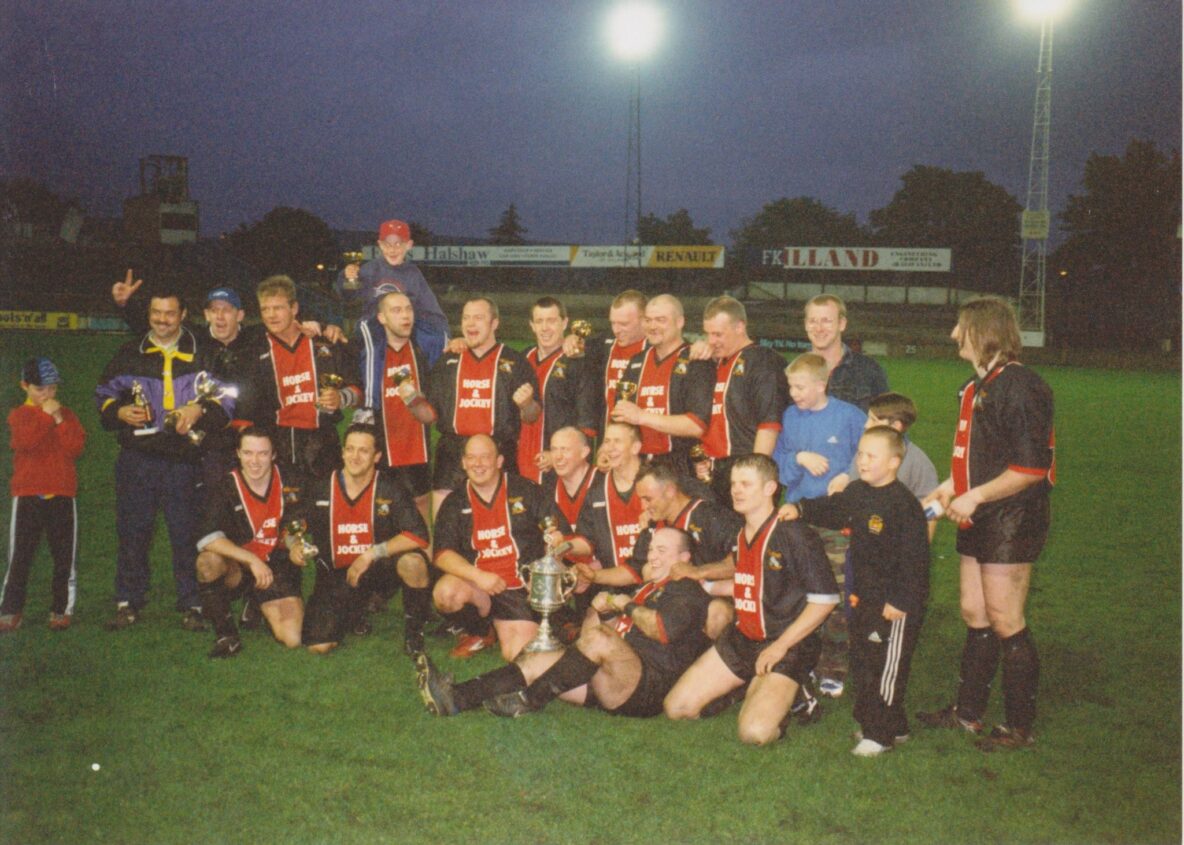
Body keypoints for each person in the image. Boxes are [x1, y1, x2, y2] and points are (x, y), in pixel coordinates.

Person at [916, 296, 1055, 751]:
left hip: (1012, 517)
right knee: (975, 613)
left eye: (961, 327)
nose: (955, 335)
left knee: (1005, 617)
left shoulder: (1020, 386)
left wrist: (974, 495)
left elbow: (1031, 468)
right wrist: (948, 487)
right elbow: (976, 458)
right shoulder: (975, 386)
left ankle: (1020, 728)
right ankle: (968, 713)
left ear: (984, 331)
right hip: (978, 512)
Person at [417, 527, 712, 720]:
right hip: (610, 674)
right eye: (651, 549)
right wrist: (607, 610)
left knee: (597, 638)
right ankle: (455, 698)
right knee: (536, 659)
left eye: (662, 550)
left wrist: (625, 604)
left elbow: (661, 629)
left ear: (684, 557)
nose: (653, 556)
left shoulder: (686, 589)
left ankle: (529, 700)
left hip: (643, 688)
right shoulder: (651, 586)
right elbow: (625, 627)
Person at [664, 455, 838, 746]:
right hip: (742, 638)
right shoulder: (741, 533)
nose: (736, 490)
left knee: (755, 733)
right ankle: (749, 686)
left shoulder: (794, 535)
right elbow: (752, 584)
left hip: (785, 644)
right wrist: (704, 585)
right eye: (733, 483)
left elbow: (825, 600)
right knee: (677, 708)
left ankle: (795, 692)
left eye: (746, 484)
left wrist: (780, 647)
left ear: (770, 488)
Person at [783, 427, 930, 756]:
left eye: (871, 456)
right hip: (864, 596)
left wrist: (901, 600)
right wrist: (802, 509)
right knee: (864, 660)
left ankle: (880, 735)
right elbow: (833, 510)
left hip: (896, 604)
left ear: (894, 462)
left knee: (887, 668)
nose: (861, 461)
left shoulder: (903, 506)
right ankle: (893, 724)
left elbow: (916, 560)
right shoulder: (858, 491)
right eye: (860, 454)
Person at [95, 284, 233, 631]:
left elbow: (228, 396)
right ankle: (128, 601)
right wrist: (120, 411)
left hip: (184, 460)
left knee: (185, 533)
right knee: (133, 531)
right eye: (156, 313)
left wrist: (198, 409)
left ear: (183, 315)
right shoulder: (129, 352)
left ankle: (192, 603)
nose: (162, 320)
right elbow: (102, 396)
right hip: (138, 459)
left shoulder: (203, 351)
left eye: (170, 313)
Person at [771, 351, 867, 695]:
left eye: (799, 386)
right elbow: (778, 463)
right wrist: (798, 457)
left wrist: (847, 475)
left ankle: (834, 667)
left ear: (821, 383)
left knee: (837, 594)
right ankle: (801, 661)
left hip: (836, 522)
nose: (793, 393)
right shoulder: (790, 416)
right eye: (790, 387)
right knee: (796, 592)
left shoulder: (849, 416)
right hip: (796, 518)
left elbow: (874, 454)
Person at [294, 424, 433, 656]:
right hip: (337, 573)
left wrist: (371, 553)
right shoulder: (320, 488)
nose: (355, 457)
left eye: (363, 451)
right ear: (342, 452)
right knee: (318, 646)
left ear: (377, 456)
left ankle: (414, 633)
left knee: (413, 562)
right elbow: (293, 526)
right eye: (350, 449)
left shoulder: (391, 488)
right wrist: (294, 546)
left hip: (379, 570)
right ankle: (355, 611)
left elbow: (418, 535)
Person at [430, 435, 568, 661]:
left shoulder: (526, 490)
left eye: (485, 457)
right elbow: (442, 555)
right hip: (479, 586)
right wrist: (478, 576)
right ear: (463, 462)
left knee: (519, 656)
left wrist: (549, 565)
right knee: (446, 594)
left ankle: (549, 626)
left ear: (499, 460)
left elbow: (558, 535)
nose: (478, 464)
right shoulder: (454, 502)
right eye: (471, 458)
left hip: (519, 588)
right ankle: (481, 632)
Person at [194, 426, 307, 657]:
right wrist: (251, 560)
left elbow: (294, 527)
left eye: (263, 453)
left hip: (277, 566)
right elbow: (206, 538)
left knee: (293, 638)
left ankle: (258, 602)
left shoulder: (292, 480)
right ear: (238, 453)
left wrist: (296, 546)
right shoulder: (224, 486)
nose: (254, 461)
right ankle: (227, 635)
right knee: (207, 562)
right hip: (240, 567)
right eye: (248, 453)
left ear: (274, 454)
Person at [237, 275, 360, 479]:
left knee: (325, 507)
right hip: (278, 443)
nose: (271, 315)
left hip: (323, 442)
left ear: (294, 308)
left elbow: (357, 390)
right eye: (265, 309)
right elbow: (248, 407)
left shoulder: (325, 341)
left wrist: (341, 398)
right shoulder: (255, 351)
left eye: (277, 308)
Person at [424, 297, 539, 513]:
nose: (470, 323)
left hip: (499, 450)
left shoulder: (515, 362)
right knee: (445, 526)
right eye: (466, 318)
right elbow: (430, 414)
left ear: (494, 323)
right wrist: (412, 401)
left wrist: (527, 404)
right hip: (452, 456)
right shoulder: (448, 361)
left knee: (499, 525)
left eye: (478, 317)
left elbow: (532, 416)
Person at [0, 358, 86, 632]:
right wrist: (46, 416)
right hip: (27, 494)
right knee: (20, 557)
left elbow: (75, 447)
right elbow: (25, 441)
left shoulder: (66, 414)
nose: (47, 396)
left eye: (51, 389)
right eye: (40, 390)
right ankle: (11, 609)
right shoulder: (19, 415)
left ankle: (61, 609)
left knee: (64, 557)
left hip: (62, 493)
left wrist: (59, 418)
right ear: (24, 386)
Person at [695, 296, 790, 503]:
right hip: (713, 471)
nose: (711, 341)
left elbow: (769, 424)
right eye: (708, 334)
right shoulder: (713, 362)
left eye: (718, 334)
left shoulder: (763, 361)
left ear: (740, 327)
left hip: (745, 469)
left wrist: (754, 476)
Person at [353, 287, 436, 523]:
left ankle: (424, 559)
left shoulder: (425, 351)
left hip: (416, 450)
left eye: (408, 309)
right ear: (382, 318)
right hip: (380, 451)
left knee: (421, 516)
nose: (405, 315)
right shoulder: (369, 354)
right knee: (380, 517)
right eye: (396, 310)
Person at [611, 294, 713, 472]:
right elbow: (620, 415)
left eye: (661, 320)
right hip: (639, 464)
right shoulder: (637, 362)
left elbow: (696, 426)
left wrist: (642, 417)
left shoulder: (696, 361)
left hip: (682, 466)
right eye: (648, 320)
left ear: (680, 322)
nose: (653, 326)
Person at [826, 392, 940, 539]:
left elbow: (930, 512)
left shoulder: (918, 463)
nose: (866, 424)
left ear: (895, 426)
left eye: (873, 420)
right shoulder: (864, 453)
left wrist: (920, 550)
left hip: (897, 544)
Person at [337, 218, 449, 365]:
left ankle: (425, 381)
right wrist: (347, 278)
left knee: (436, 339)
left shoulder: (413, 273)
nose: (392, 249)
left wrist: (444, 335)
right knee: (374, 342)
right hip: (375, 323)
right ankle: (373, 386)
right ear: (380, 245)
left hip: (403, 325)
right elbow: (349, 296)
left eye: (398, 243)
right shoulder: (370, 269)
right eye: (387, 244)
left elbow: (430, 308)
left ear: (408, 245)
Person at [517, 296, 596, 483]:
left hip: (559, 467)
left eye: (551, 321)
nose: (545, 328)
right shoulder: (521, 359)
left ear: (565, 322)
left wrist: (558, 455)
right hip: (521, 462)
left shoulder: (578, 362)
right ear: (532, 325)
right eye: (539, 321)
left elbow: (587, 423)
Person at [566, 422, 646, 588]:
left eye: (617, 441)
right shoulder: (597, 492)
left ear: (635, 447)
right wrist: (562, 545)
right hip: (613, 581)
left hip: (653, 581)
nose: (610, 448)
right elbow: (587, 540)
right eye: (607, 441)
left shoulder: (655, 484)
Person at [567, 289, 648, 434]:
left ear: (644, 320)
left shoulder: (658, 349)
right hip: (607, 438)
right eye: (613, 323)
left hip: (645, 439)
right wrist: (570, 340)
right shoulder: (605, 344)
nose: (616, 330)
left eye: (623, 324)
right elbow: (577, 347)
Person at [803, 294, 888, 412]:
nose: (819, 328)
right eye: (812, 321)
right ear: (805, 324)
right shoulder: (791, 372)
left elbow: (887, 421)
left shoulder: (869, 370)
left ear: (842, 324)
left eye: (826, 321)